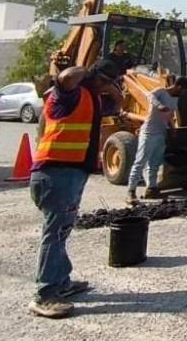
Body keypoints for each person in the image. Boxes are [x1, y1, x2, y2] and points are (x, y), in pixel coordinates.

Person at [29, 59, 123, 319]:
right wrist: (88, 73)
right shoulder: (69, 94)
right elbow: (67, 77)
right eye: (104, 81)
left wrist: (112, 88)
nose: (106, 86)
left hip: (71, 173)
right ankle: (45, 294)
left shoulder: (91, 98)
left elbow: (116, 107)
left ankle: (61, 282)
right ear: (94, 76)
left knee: (62, 230)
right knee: (54, 232)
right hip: (54, 173)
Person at [126, 76, 187, 203]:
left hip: (161, 133)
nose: (183, 94)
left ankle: (151, 189)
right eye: (183, 91)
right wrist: (160, 106)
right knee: (140, 162)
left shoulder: (175, 99)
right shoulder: (160, 92)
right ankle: (131, 191)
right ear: (179, 87)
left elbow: (171, 115)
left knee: (155, 163)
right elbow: (149, 96)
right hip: (149, 133)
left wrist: (172, 128)